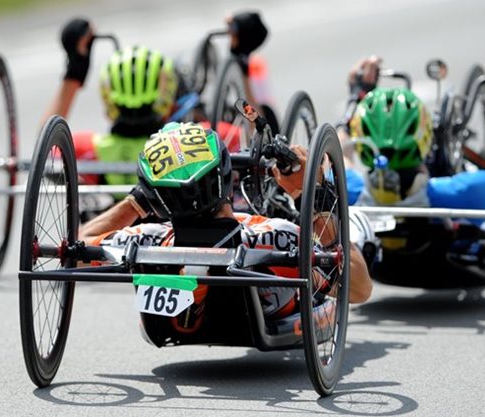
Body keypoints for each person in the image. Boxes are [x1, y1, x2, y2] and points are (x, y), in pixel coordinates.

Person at [80, 121, 373, 333]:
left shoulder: (150, 242)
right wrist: (314, 195)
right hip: (269, 280)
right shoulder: (277, 235)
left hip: (176, 295)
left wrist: (136, 201)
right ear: (224, 176)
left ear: (157, 195)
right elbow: (360, 288)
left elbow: (79, 245)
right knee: (356, 213)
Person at [42, 12, 270, 189]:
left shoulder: (90, 149)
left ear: (109, 99)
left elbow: (43, 147)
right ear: (168, 98)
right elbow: (263, 145)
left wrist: (74, 73)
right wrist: (241, 63)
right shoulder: (205, 137)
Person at [338, 56, 485, 226]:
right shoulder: (460, 193)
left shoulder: (347, 189)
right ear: (424, 139)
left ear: (362, 142)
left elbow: (338, 154)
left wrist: (357, 95)